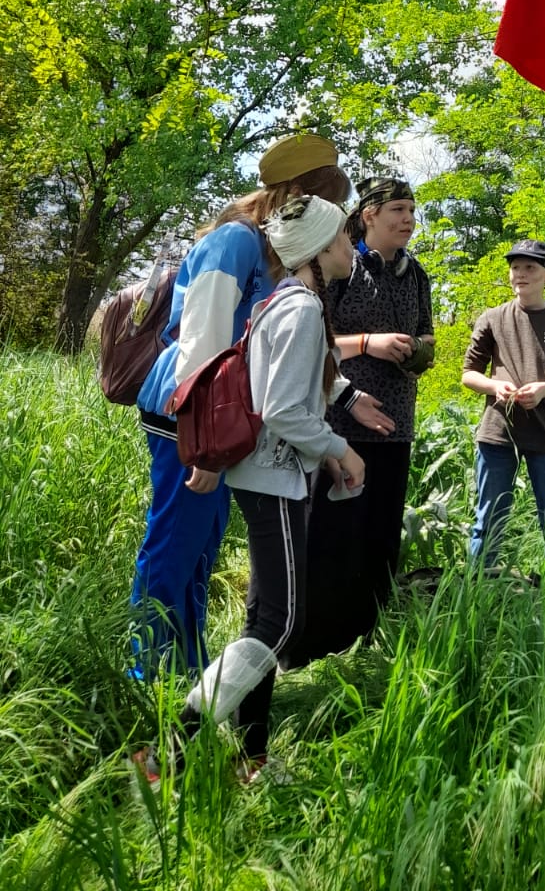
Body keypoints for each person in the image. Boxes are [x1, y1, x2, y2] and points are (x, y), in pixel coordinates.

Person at [129, 135, 393, 676]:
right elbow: (203, 339)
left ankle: (188, 668)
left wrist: (346, 395)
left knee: (200, 553)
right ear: (299, 194)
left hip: (225, 426)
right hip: (188, 417)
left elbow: (276, 355)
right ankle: (144, 673)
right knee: (175, 548)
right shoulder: (234, 242)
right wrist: (198, 442)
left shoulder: (278, 257)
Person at [136, 195, 366, 783]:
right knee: (279, 624)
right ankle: (170, 749)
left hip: (269, 476)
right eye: (343, 237)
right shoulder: (301, 310)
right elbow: (284, 410)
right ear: (317, 249)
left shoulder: (286, 302)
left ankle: (251, 757)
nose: (351, 246)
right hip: (273, 480)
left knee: (266, 617)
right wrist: (339, 448)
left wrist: (326, 449)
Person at [286, 175, 435, 664]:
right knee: (332, 534)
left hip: (397, 424)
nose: (408, 219)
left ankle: (367, 640)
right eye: (397, 209)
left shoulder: (417, 274)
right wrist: (369, 342)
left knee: (380, 536)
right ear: (368, 214)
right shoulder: (342, 265)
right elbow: (314, 335)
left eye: (412, 210)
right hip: (340, 423)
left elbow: (428, 338)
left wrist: (416, 350)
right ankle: (311, 646)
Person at [461, 240, 545, 567]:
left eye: (530, 267)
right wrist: (494, 386)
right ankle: (480, 589)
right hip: (497, 431)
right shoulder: (491, 318)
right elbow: (469, 375)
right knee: (487, 519)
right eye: (516, 267)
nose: (521, 274)